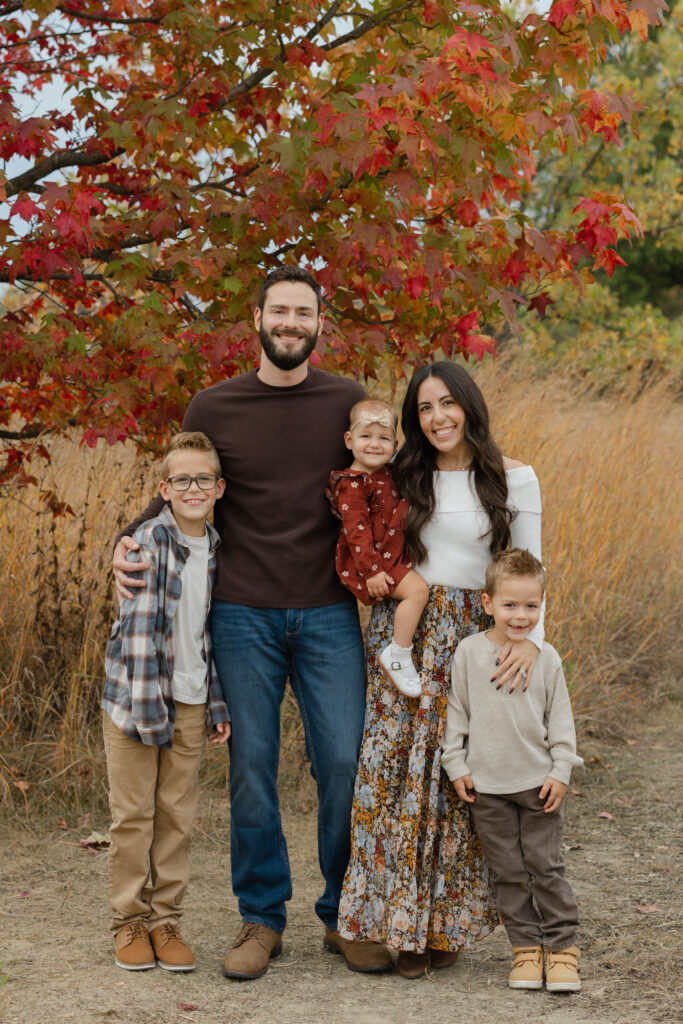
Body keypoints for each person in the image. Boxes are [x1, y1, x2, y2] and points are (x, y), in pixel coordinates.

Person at [112, 266, 394, 979]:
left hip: (329, 612)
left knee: (341, 762)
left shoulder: (346, 401)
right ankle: (260, 919)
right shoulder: (215, 404)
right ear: (258, 319)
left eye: (304, 312)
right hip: (241, 615)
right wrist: (126, 539)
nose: (291, 323)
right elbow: (183, 483)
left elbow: (383, 478)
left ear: (318, 324)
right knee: (253, 771)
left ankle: (342, 915)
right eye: (280, 311)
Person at [338, 360, 544, 978]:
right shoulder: (401, 475)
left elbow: (533, 568)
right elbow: (344, 514)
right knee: (390, 776)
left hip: (480, 638)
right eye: (424, 408)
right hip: (407, 635)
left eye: (447, 403)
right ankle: (395, 926)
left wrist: (530, 642)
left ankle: (443, 922)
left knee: (460, 781)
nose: (438, 418)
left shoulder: (515, 479)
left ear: (469, 406)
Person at [102, 431, 230, 972]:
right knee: (133, 815)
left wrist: (216, 705)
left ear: (220, 488)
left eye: (204, 478)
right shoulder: (150, 541)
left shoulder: (219, 548)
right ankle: (128, 919)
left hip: (192, 700)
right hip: (138, 699)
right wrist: (147, 711)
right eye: (182, 479)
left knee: (176, 815)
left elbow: (207, 635)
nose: (194, 487)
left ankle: (165, 919)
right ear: (165, 488)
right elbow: (137, 633)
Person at [442, 548, 583, 992]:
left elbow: (560, 719)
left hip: (538, 784)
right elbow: (457, 712)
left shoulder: (547, 658)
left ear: (542, 605)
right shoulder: (468, 653)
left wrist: (561, 769)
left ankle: (562, 951)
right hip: (487, 786)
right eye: (509, 605)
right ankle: (525, 948)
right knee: (506, 871)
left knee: (546, 866)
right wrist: (455, 763)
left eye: (531, 606)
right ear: (487, 603)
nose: (520, 616)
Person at [326, 398, 430, 698]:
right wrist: (372, 572)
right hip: (374, 563)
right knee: (418, 591)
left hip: (389, 552)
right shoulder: (352, 485)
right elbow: (356, 533)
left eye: (383, 438)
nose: (374, 444)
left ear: (395, 444)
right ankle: (398, 653)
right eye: (365, 436)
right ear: (349, 440)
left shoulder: (386, 472)